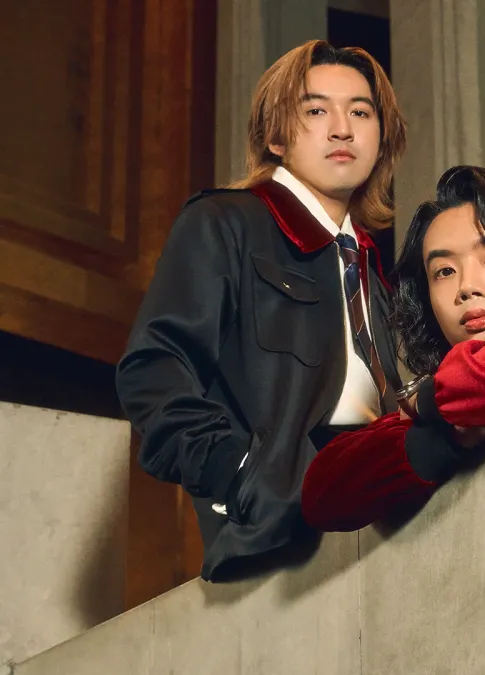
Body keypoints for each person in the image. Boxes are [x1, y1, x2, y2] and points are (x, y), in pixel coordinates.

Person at [116, 40, 406, 581]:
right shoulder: (225, 223)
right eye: (315, 110)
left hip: (379, 529)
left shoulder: (368, 266)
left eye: (361, 113)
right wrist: (241, 475)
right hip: (280, 532)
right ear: (276, 135)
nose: (342, 129)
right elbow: (154, 371)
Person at [300, 165, 485, 532]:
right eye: (444, 271)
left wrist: (432, 400)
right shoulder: (445, 405)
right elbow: (321, 493)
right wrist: (446, 435)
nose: (467, 287)